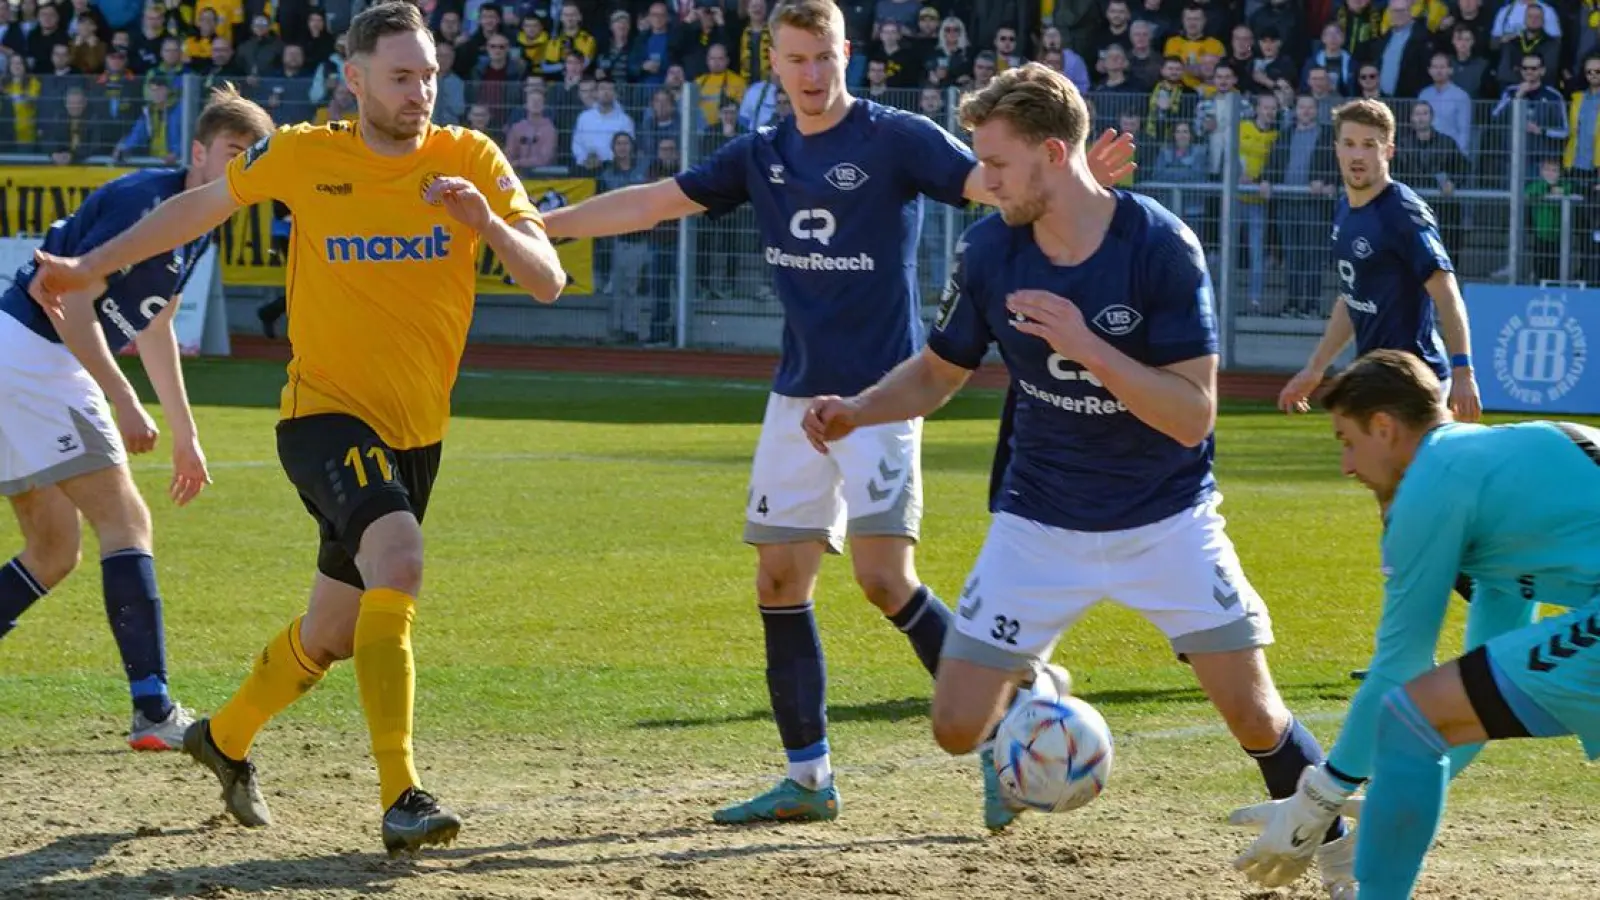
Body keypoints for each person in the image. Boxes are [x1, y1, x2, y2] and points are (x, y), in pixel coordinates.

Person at [541, 0, 1134, 827]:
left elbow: (993, 188)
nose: (813, 74)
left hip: (882, 397)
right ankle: (809, 780)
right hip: (797, 399)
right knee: (778, 580)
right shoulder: (762, 153)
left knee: (883, 579)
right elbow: (650, 203)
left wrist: (1073, 184)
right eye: (796, 60)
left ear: (846, 52)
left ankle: (1009, 719)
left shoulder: (896, 138)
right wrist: (542, 225)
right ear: (773, 64)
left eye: (824, 56)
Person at [802, 63, 1355, 898]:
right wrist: (859, 409)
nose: (981, 182)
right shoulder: (990, 247)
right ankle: (1040, 683)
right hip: (1039, 522)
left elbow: (1192, 415)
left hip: (1165, 520)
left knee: (1254, 714)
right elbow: (940, 371)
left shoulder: (1161, 247)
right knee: (956, 730)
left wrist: (1089, 342)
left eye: (995, 165)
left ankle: (1348, 856)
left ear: (1054, 155)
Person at [28, 0, 566, 856]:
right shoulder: (306, 154)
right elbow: (197, 210)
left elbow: (548, 281)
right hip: (321, 415)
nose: (419, 91)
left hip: (416, 432)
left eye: (429, 74)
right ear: (354, 80)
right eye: (400, 75)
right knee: (401, 557)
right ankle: (403, 795)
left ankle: (224, 738)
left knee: (333, 634)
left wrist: (488, 224)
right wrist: (90, 267)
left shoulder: (472, 159)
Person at [1229, 349, 1600, 899]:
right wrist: (1393, 797)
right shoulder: (1492, 474)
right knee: (1425, 714)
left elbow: (1398, 670)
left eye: (1347, 442)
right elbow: (1472, 705)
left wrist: (1319, 797)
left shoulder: (1433, 480)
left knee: (1408, 714)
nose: (1347, 467)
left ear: (1384, 427)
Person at [0, 84, 273, 752]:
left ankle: (151, 705)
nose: (243, 169)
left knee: (53, 551)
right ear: (200, 151)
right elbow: (62, 297)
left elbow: (157, 325)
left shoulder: (200, 225)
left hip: (20, 358)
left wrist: (187, 433)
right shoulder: (148, 200)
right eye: (233, 153)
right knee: (126, 523)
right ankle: (152, 707)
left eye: (254, 159)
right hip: (39, 355)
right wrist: (123, 401)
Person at [1276, 97, 1483, 681]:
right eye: (1349, 144)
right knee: (1406, 525)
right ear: (1336, 147)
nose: (1359, 155)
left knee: (1419, 525)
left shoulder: (1402, 213)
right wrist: (1316, 368)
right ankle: (1417, 650)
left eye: (1370, 145)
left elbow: (1445, 291)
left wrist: (1462, 370)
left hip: (1414, 389)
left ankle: (1445, 637)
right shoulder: (1347, 210)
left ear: (1389, 150)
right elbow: (1350, 297)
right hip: (1375, 388)